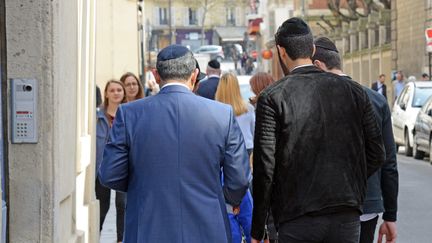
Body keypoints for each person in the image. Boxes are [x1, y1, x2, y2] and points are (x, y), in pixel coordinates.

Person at [251, 17, 385, 243]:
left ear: (281, 51)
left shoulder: (272, 97)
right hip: (345, 211)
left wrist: (258, 228)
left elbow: (265, 169)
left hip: (297, 216)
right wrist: (350, 183)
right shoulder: (353, 91)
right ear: (312, 49)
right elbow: (377, 153)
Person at [98, 44, 250, 243]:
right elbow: (239, 179)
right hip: (208, 226)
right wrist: (220, 199)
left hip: (147, 226)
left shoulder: (130, 114)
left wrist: (143, 187)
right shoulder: (222, 114)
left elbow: (110, 174)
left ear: (156, 75)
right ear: (194, 75)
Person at [312, 36, 399, 243]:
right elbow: (389, 162)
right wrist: (390, 215)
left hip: (323, 207)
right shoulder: (376, 100)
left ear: (317, 65)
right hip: (366, 203)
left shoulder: (312, 99)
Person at [215, 72, 255, 243]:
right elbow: (254, 133)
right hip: (246, 151)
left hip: (224, 154)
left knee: (227, 204)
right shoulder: (248, 108)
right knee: (246, 199)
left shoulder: (214, 110)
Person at [95, 80, 127, 243]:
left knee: (122, 204)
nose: (116, 93)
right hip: (101, 169)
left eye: (119, 90)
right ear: (106, 93)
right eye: (112, 90)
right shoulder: (97, 116)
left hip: (124, 167)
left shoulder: (129, 114)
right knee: (102, 207)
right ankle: (96, 235)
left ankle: (121, 239)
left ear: (123, 93)